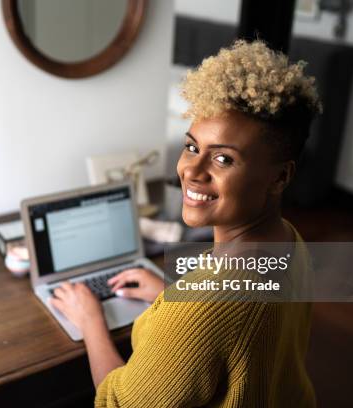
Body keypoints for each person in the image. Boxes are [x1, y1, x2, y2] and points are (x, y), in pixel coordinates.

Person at [50, 40, 322, 407]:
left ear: (280, 177)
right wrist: (167, 293)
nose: (191, 171)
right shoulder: (289, 240)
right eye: (192, 147)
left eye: (224, 159)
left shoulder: (201, 308)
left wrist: (90, 322)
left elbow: (118, 402)